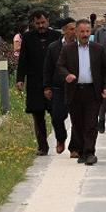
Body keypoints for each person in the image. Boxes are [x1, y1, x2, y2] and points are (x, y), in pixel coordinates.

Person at [57, 19, 106, 165]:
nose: (85, 34)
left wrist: (105, 87)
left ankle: (90, 152)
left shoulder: (98, 49)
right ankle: (81, 151)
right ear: (76, 32)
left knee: (91, 123)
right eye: (82, 31)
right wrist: (67, 75)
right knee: (78, 124)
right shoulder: (68, 49)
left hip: (93, 91)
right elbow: (60, 66)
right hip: (75, 91)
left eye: (87, 31)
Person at [16, 9, 61, 156]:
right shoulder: (28, 38)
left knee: (57, 114)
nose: (41, 25)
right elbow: (23, 59)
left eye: (43, 22)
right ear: (33, 23)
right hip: (35, 82)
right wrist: (20, 79)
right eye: (37, 23)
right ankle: (42, 146)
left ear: (48, 21)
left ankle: (60, 139)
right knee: (37, 114)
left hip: (54, 81)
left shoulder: (56, 36)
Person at [43, 18, 80, 156]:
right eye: (71, 29)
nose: (74, 32)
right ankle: (61, 138)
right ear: (64, 30)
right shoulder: (54, 47)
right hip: (59, 88)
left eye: (75, 29)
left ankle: (75, 147)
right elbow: (48, 68)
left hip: (77, 88)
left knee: (77, 118)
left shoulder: (80, 46)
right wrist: (47, 86)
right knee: (57, 117)